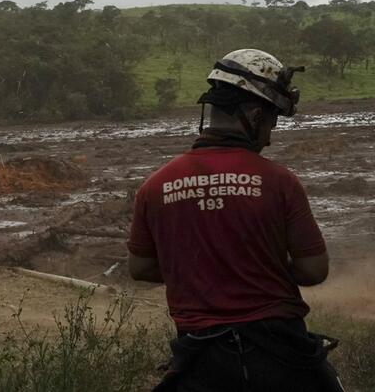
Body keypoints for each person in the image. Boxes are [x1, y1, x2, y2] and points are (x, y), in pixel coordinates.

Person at [127, 49, 343, 392]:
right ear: (255, 116)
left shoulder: (154, 186)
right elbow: (314, 270)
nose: (270, 136)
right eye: (272, 122)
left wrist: (204, 270)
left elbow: (140, 268)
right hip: (282, 354)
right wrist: (256, 268)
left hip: (198, 356)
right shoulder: (280, 181)